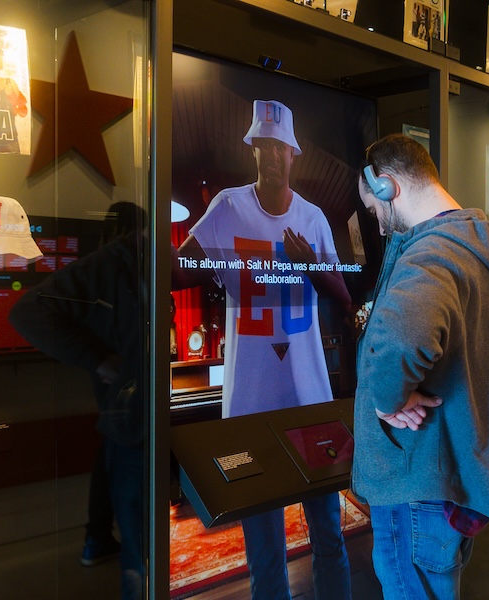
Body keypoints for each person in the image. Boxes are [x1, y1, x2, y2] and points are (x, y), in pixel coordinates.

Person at [172, 100, 352, 600]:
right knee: (265, 547)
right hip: (250, 401)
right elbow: (178, 269)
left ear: (293, 154)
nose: (271, 155)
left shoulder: (313, 218)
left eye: (280, 146)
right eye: (263, 146)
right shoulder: (228, 206)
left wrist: (310, 262)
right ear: (253, 150)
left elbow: (342, 296)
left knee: (329, 532)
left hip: (310, 395)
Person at [352, 133, 489, 599]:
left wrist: (389, 401)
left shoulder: (431, 254)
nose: (382, 227)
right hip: (450, 480)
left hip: (416, 481)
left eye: (373, 212)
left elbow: (401, 343)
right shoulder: (478, 248)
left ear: (388, 186)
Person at [9, 202, 147, 600]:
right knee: (140, 559)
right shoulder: (108, 267)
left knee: (140, 547)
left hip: (130, 419)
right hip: (129, 421)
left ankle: (96, 539)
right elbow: (27, 312)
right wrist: (98, 359)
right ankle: (99, 540)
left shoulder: (134, 268)